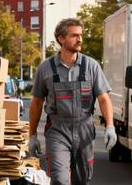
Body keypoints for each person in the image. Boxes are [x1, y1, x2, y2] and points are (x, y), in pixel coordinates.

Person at [27, 18, 117, 185]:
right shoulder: (45, 68)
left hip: (85, 130)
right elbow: (36, 103)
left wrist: (110, 126)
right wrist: (32, 136)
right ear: (61, 38)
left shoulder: (91, 66)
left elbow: (103, 98)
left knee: (82, 180)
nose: (80, 39)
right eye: (74, 35)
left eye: (80, 35)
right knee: (60, 180)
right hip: (57, 131)